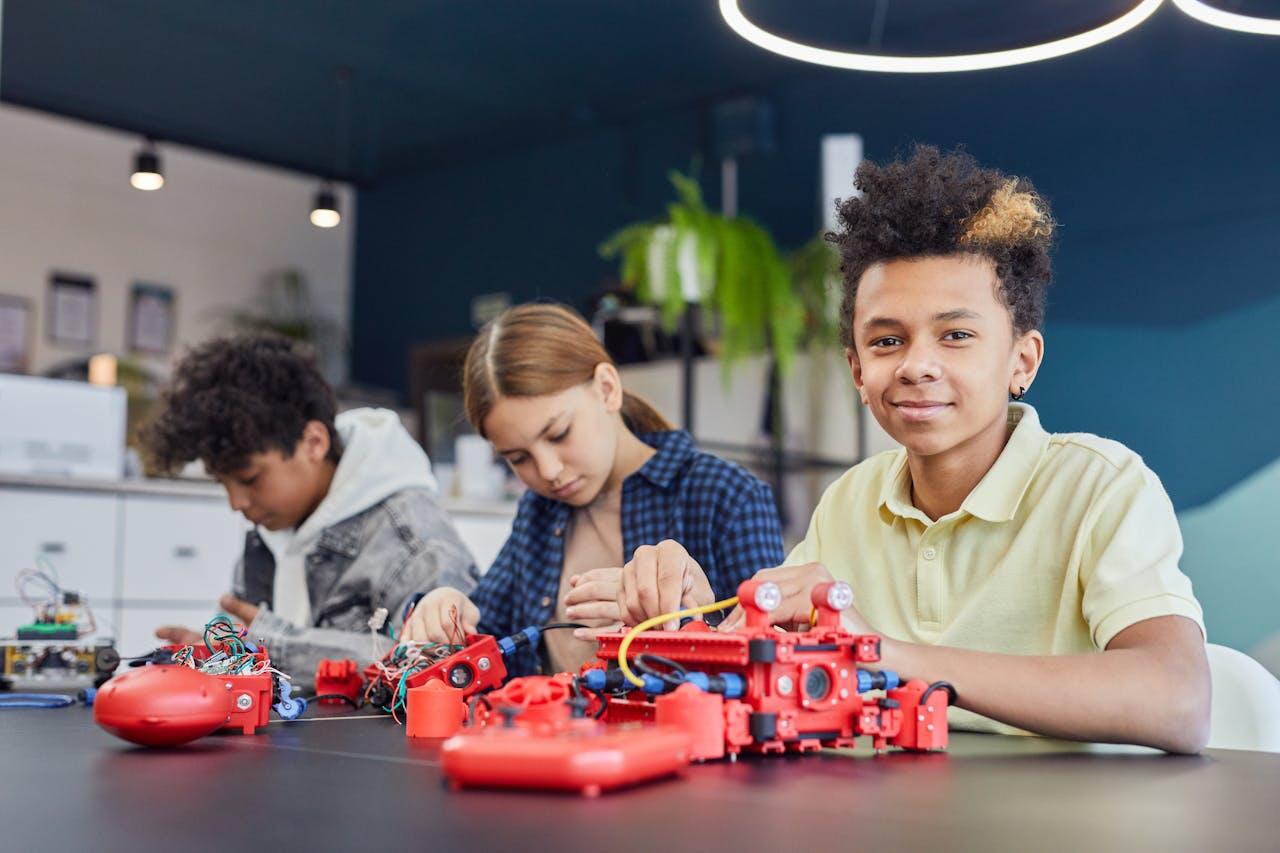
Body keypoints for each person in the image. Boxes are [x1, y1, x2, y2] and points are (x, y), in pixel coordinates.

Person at [612, 146, 1210, 753]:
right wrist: (688, 622)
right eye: (887, 340)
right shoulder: (848, 501)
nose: (917, 366)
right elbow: (769, 671)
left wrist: (884, 653)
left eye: (956, 335)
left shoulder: (1102, 486)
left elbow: (1178, 700)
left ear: (1021, 361)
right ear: (856, 370)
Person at [401, 303, 785, 675]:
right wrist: (444, 609)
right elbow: (487, 628)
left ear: (606, 388)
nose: (548, 471)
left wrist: (687, 625)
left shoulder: (728, 497)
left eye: (559, 433)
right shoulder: (539, 510)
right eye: (518, 458)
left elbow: (773, 661)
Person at [140, 334, 478, 681]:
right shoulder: (276, 524)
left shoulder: (413, 542)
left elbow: (440, 663)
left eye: (250, 479)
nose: (236, 503)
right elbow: (247, 634)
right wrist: (221, 654)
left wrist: (274, 648)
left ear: (314, 443)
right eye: (223, 483)